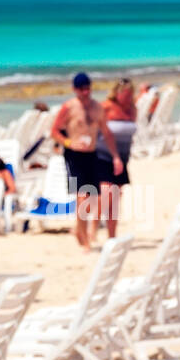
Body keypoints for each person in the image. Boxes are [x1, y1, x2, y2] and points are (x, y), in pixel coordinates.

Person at [52, 72, 123, 251]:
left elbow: (106, 133)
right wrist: (70, 142)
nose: (85, 92)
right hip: (73, 155)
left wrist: (115, 156)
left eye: (87, 88)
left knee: (93, 198)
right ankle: (84, 241)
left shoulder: (97, 108)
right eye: (81, 89)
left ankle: (80, 230)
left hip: (92, 154)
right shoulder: (69, 107)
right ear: (75, 90)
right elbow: (54, 131)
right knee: (82, 197)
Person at [97, 80, 137, 239]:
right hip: (103, 155)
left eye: (130, 95)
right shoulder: (105, 107)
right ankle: (91, 225)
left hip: (123, 157)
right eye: (125, 95)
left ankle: (111, 236)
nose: (128, 98)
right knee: (107, 195)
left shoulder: (133, 109)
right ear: (117, 93)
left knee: (115, 199)